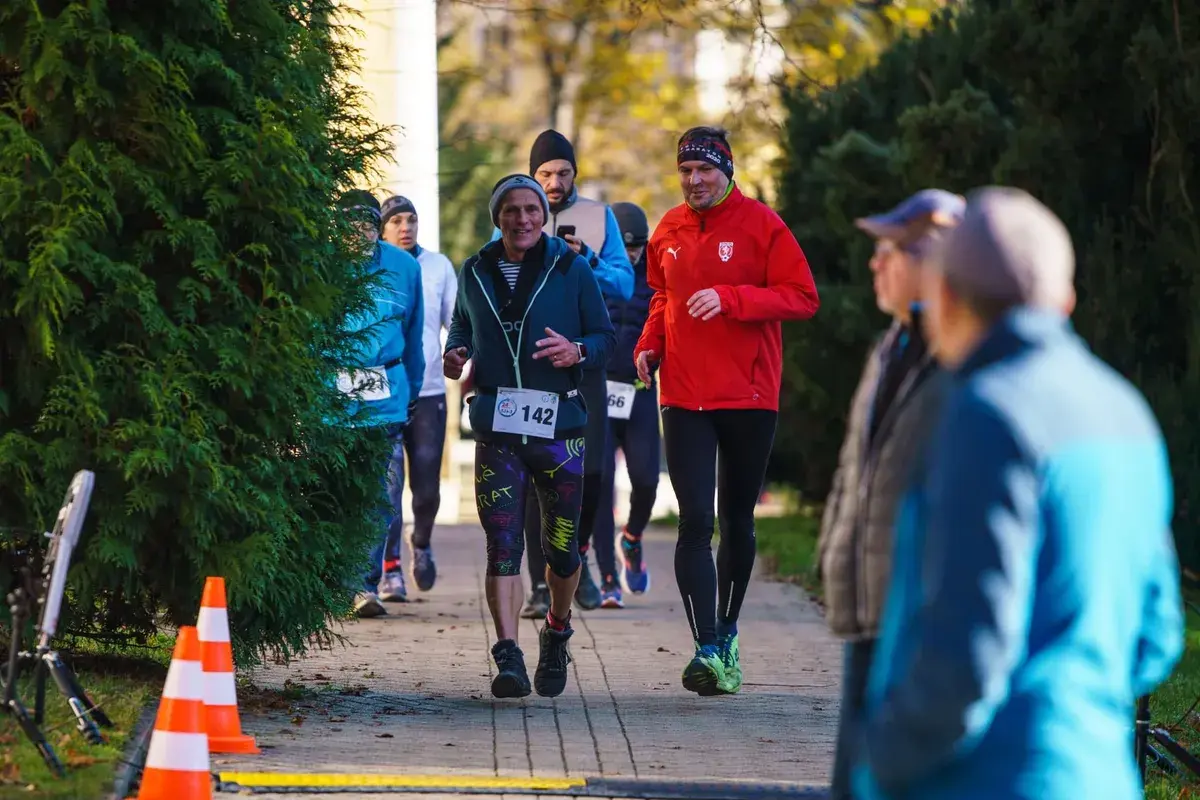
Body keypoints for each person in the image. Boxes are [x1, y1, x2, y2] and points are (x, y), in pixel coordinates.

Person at [853, 187, 1184, 800]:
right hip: (1099, 775)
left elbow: (967, 654)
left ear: (946, 298)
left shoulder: (987, 414)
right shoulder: (1125, 410)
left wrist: (881, 761)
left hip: (986, 781)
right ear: (1065, 298)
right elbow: (1157, 632)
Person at [633, 126, 820, 695]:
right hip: (684, 395)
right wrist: (650, 344)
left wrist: (733, 299)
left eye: (704, 170)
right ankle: (707, 647)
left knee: (736, 519)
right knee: (694, 521)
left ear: (727, 169)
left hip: (749, 395)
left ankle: (729, 631)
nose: (693, 180)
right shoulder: (668, 227)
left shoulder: (763, 225)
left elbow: (802, 297)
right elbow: (661, 296)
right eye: (686, 171)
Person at [816, 189, 964, 799]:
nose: (875, 265)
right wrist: (832, 552)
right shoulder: (891, 345)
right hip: (865, 605)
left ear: (931, 262)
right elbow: (856, 468)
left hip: (917, 616)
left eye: (889, 253)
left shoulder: (958, 358)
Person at [445, 174, 615, 699]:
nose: (522, 219)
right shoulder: (473, 270)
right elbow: (461, 328)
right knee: (502, 545)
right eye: (512, 210)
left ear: (544, 216)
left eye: (531, 210)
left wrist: (577, 351)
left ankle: (557, 631)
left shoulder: (572, 268)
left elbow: (604, 337)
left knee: (561, 552)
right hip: (498, 423)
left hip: (559, 427)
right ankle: (508, 656)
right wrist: (455, 354)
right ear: (498, 217)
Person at [499, 130, 633, 618]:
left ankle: (576, 564)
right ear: (532, 175)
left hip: (586, 361)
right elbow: (492, 276)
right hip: (535, 368)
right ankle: (540, 584)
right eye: (545, 174)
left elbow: (624, 282)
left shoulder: (600, 218)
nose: (554, 183)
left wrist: (587, 259)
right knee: (541, 475)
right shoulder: (515, 214)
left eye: (563, 173)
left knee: (591, 473)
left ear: (575, 173)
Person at [335, 190, 425, 619]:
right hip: (330, 399)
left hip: (386, 393)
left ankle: (363, 585)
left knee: (381, 494)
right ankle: (334, 580)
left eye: (368, 225)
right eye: (351, 225)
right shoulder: (322, 266)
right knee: (334, 492)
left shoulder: (405, 268)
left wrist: (413, 388)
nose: (360, 233)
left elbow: (413, 334)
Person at [379, 195, 458, 594]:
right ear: (383, 228)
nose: (405, 227)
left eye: (411, 219)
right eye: (397, 221)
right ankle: (390, 568)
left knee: (426, 487)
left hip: (428, 392)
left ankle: (421, 543)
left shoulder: (438, 266)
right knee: (390, 484)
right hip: (388, 392)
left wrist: (462, 355)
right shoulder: (374, 266)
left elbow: (456, 322)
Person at [591, 201, 660, 608]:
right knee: (599, 487)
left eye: (639, 247)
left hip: (639, 391)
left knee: (647, 480)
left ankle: (631, 539)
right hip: (599, 391)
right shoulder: (597, 271)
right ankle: (608, 578)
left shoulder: (656, 276)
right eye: (626, 246)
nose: (632, 254)